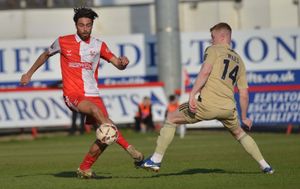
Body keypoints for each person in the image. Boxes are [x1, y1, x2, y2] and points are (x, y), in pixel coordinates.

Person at [20, 7, 143, 179]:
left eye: (88, 25)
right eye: (81, 25)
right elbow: (45, 55)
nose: (84, 28)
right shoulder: (63, 41)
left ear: (92, 25)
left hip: (93, 94)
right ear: (75, 25)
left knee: (107, 134)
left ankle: (84, 168)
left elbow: (117, 63)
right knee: (100, 118)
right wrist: (29, 73)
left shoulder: (99, 45)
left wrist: (123, 63)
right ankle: (132, 150)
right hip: (73, 95)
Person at [138, 23, 274, 174]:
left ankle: (155, 160)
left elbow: (205, 71)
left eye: (213, 37)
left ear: (222, 37)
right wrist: (244, 117)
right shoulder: (239, 60)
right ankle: (265, 166)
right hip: (228, 108)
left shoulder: (213, 50)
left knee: (171, 117)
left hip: (207, 104)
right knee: (240, 133)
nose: (211, 40)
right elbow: (244, 94)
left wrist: (192, 94)